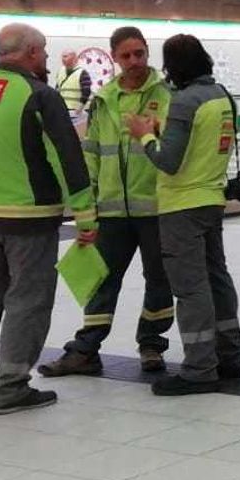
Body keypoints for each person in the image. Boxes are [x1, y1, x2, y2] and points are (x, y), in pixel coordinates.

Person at [0, 23, 97, 414]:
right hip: (29, 217)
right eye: (43, 52)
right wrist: (85, 216)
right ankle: (12, 387)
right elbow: (66, 157)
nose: (46, 58)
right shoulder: (40, 94)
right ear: (30, 52)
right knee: (27, 301)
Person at [39, 27, 175, 378]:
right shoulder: (103, 99)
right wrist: (89, 205)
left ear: (148, 52)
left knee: (159, 280)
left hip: (157, 208)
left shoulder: (168, 95)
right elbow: (93, 155)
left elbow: (175, 149)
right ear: (114, 57)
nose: (134, 61)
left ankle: (151, 345)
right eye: (126, 55)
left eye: (140, 53)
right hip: (111, 209)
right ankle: (86, 349)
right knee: (102, 280)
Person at [123, 34, 240, 395]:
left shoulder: (184, 101)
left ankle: (199, 368)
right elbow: (201, 144)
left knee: (191, 289)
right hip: (211, 199)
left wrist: (144, 136)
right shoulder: (222, 96)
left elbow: (169, 162)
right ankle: (231, 357)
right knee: (217, 279)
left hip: (182, 206)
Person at [53, 49, 93, 118]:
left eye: (65, 56)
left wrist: (80, 107)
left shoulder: (82, 73)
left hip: (78, 111)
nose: (63, 59)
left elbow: (86, 92)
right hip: (64, 109)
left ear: (74, 58)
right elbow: (57, 89)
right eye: (62, 57)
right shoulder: (60, 71)